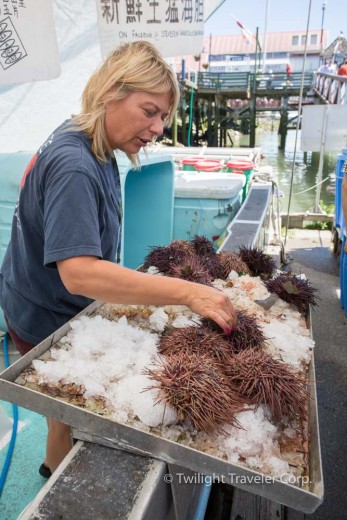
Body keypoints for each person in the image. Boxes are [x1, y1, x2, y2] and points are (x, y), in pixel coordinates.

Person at [0, 40, 237, 478]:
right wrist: (187, 292)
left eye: (164, 116)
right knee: (67, 413)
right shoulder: (75, 163)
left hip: (29, 290)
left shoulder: (94, 138)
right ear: (111, 91)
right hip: (42, 312)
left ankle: (53, 467)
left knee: (62, 417)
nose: (158, 127)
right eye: (149, 111)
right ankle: (60, 482)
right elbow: (79, 273)